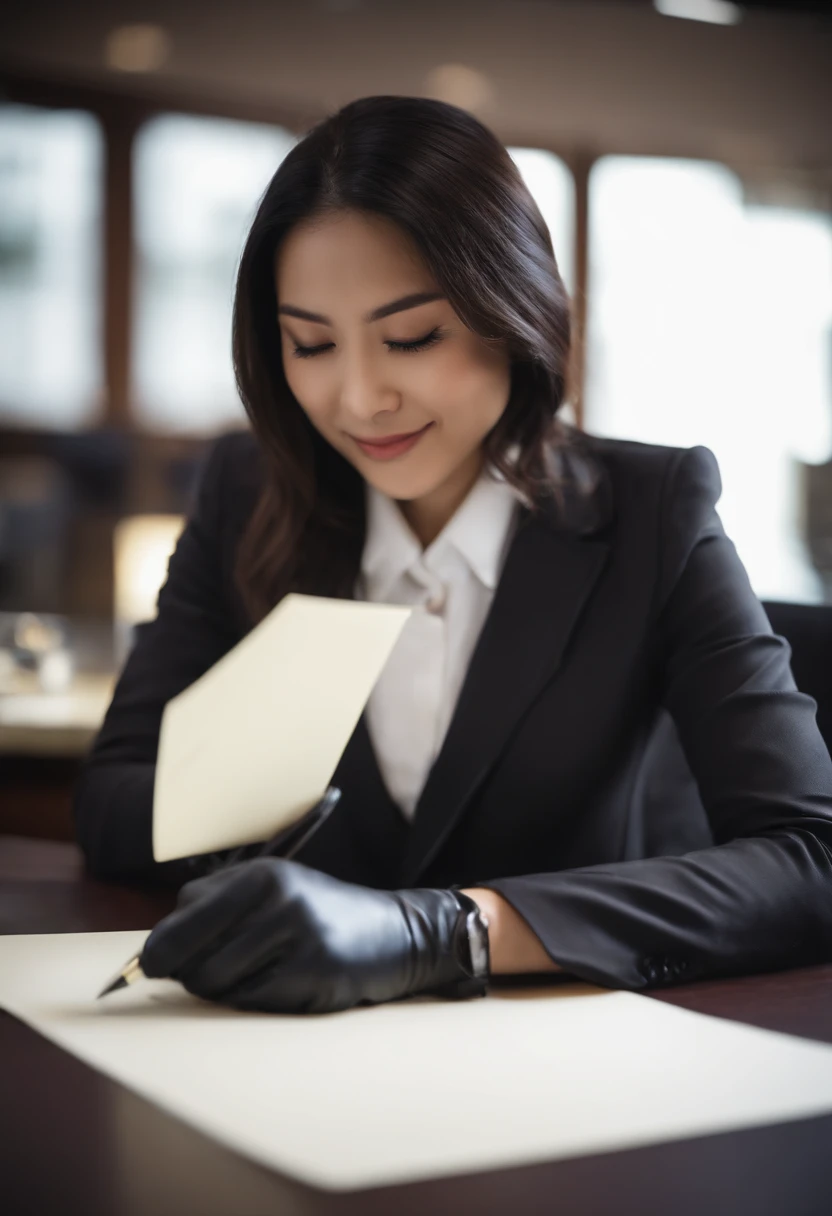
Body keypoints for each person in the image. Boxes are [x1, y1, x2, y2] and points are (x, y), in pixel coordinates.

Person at [74, 95, 832, 1014]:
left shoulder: (653, 513)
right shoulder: (248, 492)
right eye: (310, 344)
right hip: (288, 1052)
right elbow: (112, 802)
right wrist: (250, 793)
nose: (358, 400)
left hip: (587, 1066)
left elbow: (808, 858)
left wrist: (443, 932)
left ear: (513, 309)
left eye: (412, 338)